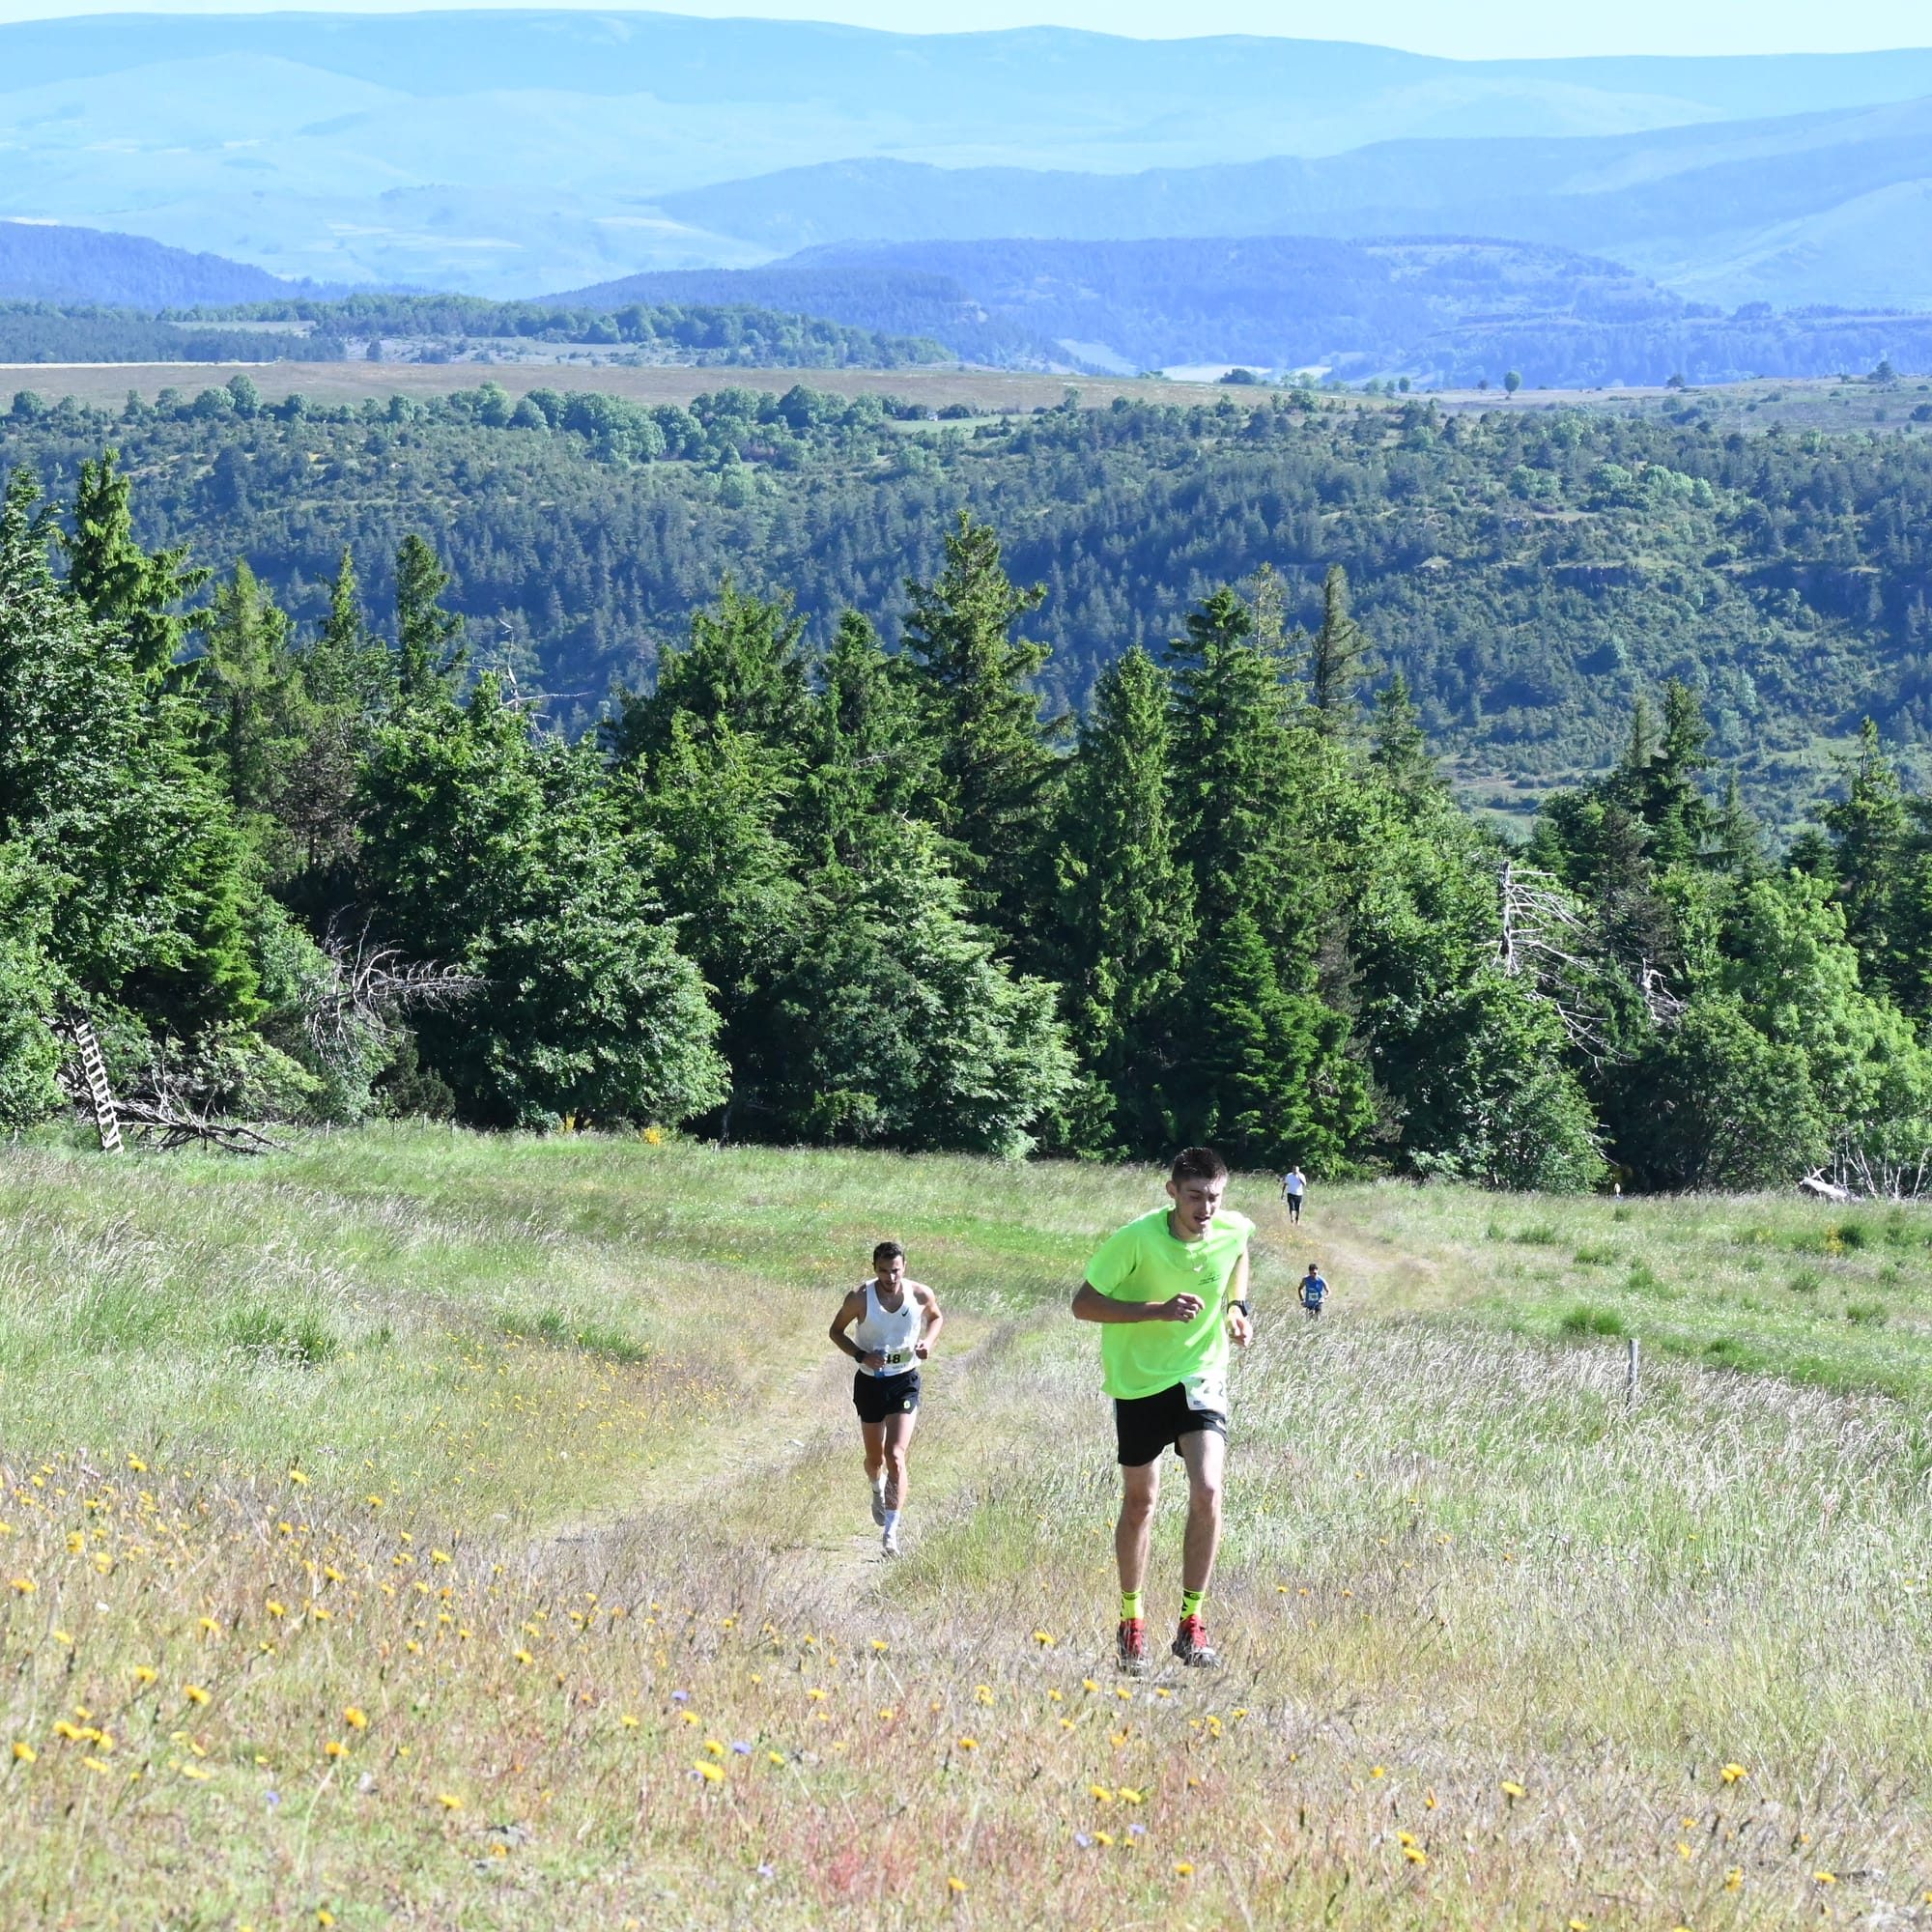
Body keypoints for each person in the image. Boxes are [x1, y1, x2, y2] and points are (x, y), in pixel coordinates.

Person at [1072, 1147, 1252, 1673]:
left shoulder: (1231, 1227)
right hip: (1138, 1383)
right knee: (1140, 1504)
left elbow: (1240, 1250)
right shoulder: (1134, 1240)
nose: (1206, 1209)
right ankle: (1132, 1621)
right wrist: (1157, 1311)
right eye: (1194, 1197)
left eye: (1214, 1198)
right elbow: (1083, 1305)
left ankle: (1192, 1625)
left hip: (1200, 1375)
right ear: (1171, 1191)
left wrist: (1236, 1308)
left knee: (1209, 1487)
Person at [829, 1240, 943, 1557]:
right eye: (883, 1271)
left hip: (905, 1380)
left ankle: (891, 1533)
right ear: (874, 1268)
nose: (890, 1278)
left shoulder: (920, 1294)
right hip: (869, 1385)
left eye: (895, 1271)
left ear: (904, 1266)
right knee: (875, 1459)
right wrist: (862, 1355)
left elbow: (936, 1318)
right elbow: (836, 1331)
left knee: (895, 1455)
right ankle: (876, 1489)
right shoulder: (859, 1298)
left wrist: (928, 1343)